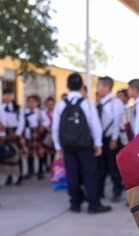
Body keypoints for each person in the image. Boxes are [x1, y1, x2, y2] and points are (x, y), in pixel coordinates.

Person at [52, 73, 111, 214]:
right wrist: (98, 144)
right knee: (90, 174)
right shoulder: (88, 103)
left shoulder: (61, 105)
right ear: (81, 87)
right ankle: (93, 205)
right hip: (85, 145)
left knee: (72, 175)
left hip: (68, 146)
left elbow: (55, 127)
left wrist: (58, 146)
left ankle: (75, 204)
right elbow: (95, 126)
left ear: (67, 86)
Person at [96, 76, 124, 202]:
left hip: (111, 139)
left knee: (113, 167)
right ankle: (99, 191)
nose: (97, 89)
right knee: (100, 167)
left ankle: (117, 191)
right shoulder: (100, 102)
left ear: (107, 87)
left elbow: (117, 122)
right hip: (100, 138)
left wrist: (114, 138)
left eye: (99, 86)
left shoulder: (115, 102)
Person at [16, 95, 50, 179]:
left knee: (40, 153)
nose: (31, 104)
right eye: (29, 102)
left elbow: (47, 121)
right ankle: (30, 171)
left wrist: (43, 126)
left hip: (37, 133)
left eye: (33, 102)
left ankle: (40, 171)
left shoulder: (40, 112)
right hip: (27, 133)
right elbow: (21, 123)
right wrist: (18, 134)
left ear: (37, 103)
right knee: (29, 153)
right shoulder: (23, 112)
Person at [1, 88, 22, 185]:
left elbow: (22, 122)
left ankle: (19, 176)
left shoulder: (18, 108)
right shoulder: (1, 107)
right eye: (6, 95)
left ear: (13, 96)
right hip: (4, 132)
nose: (8, 97)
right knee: (7, 155)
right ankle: (9, 177)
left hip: (15, 132)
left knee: (17, 155)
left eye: (10, 95)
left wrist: (17, 133)